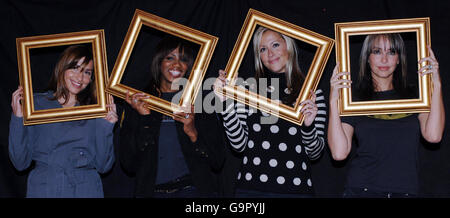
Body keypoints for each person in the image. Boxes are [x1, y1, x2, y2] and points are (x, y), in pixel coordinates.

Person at [213, 27, 326, 197]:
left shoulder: (311, 93)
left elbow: (315, 153)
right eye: (263, 49)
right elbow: (238, 145)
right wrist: (225, 102)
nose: (270, 54)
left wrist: (308, 126)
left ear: (288, 46)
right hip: (251, 190)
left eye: (275, 45)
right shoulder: (248, 90)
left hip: (297, 190)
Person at [328, 33, 445, 198]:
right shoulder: (354, 100)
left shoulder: (416, 96)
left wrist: (436, 84)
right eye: (376, 51)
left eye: (391, 52)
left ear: (399, 59)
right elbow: (339, 153)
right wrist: (334, 101)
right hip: (361, 191)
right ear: (367, 58)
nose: (384, 60)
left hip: (406, 192)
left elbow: (433, 136)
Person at [119, 36, 226, 198]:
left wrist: (193, 133)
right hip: (152, 193)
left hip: (192, 191)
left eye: (183, 60)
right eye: (170, 58)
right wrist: (145, 120)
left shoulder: (200, 103)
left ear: (189, 66)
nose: (177, 64)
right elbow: (129, 164)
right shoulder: (139, 102)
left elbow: (217, 161)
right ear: (159, 62)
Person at [9, 45, 118, 198]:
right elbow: (20, 163)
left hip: (85, 189)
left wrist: (106, 126)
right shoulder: (36, 105)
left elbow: (104, 166)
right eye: (75, 68)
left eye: (87, 72)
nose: (80, 78)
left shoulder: (95, 110)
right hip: (44, 188)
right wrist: (18, 119)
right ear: (62, 68)